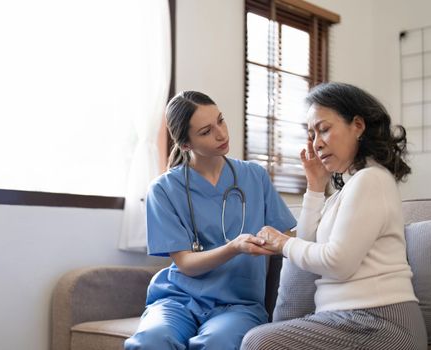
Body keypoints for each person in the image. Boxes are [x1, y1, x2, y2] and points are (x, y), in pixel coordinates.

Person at [241, 82, 428, 350]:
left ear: (358, 126)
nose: (317, 144)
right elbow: (307, 244)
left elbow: (338, 262)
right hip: (350, 319)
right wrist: (315, 186)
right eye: (311, 135)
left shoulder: (371, 180)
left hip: (381, 321)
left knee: (259, 341)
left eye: (324, 129)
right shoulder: (347, 190)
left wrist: (283, 243)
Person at [124, 91, 296, 350]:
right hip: (178, 299)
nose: (221, 134)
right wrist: (234, 247)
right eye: (206, 131)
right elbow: (186, 264)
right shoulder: (163, 189)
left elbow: (286, 241)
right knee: (152, 341)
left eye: (221, 121)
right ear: (185, 144)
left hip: (238, 305)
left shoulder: (255, 177)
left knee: (217, 343)